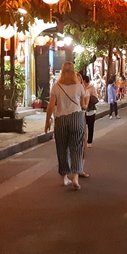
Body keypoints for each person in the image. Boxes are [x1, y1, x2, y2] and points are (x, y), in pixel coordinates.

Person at [45, 62, 88, 190]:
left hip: (61, 119)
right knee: (77, 147)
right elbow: (82, 104)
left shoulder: (56, 86)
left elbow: (51, 106)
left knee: (62, 147)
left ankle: (64, 178)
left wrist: (47, 121)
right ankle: (75, 177)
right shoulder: (78, 86)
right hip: (76, 118)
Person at [83, 75, 99, 149]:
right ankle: (82, 140)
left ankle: (89, 141)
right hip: (82, 110)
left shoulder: (92, 88)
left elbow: (96, 98)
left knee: (90, 126)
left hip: (91, 110)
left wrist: (88, 98)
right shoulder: (80, 88)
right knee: (82, 126)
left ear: (85, 81)